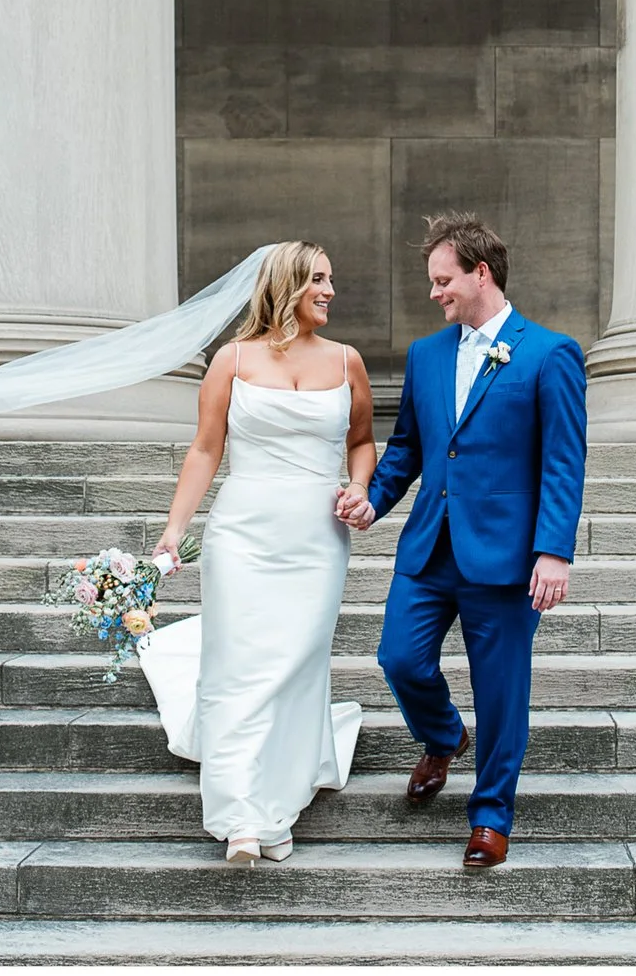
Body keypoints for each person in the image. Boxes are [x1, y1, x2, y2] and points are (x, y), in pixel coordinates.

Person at [335, 213, 586, 869]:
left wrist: (554, 551)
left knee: (500, 691)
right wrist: (373, 499)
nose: (434, 293)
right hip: (429, 548)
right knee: (399, 658)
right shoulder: (426, 355)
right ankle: (445, 737)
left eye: (443, 280)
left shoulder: (550, 353)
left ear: (481, 273)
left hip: (506, 557)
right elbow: (409, 448)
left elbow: (563, 462)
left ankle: (491, 817)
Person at [140, 243, 373, 862]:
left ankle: (280, 800)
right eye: (318, 279)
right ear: (287, 284)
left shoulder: (347, 361)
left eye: (330, 278)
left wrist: (359, 486)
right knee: (239, 665)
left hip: (317, 539)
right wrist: (174, 528)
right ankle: (242, 815)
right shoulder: (233, 359)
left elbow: (362, 441)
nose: (330, 290)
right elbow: (205, 449)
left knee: (297, 663)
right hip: (242, 533)